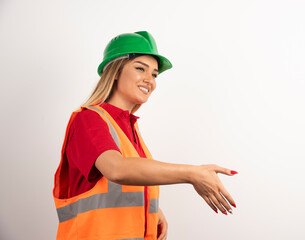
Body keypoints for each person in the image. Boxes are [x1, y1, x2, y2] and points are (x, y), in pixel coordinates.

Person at [53, 31, 237, 240]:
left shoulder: (129, 128)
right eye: (140, 68)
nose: (149, 80)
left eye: (155, 74)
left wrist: (151, 210)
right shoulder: (89, 120)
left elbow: (123, 185)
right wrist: (193, 174)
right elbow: (116, 169)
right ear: (114, 71)